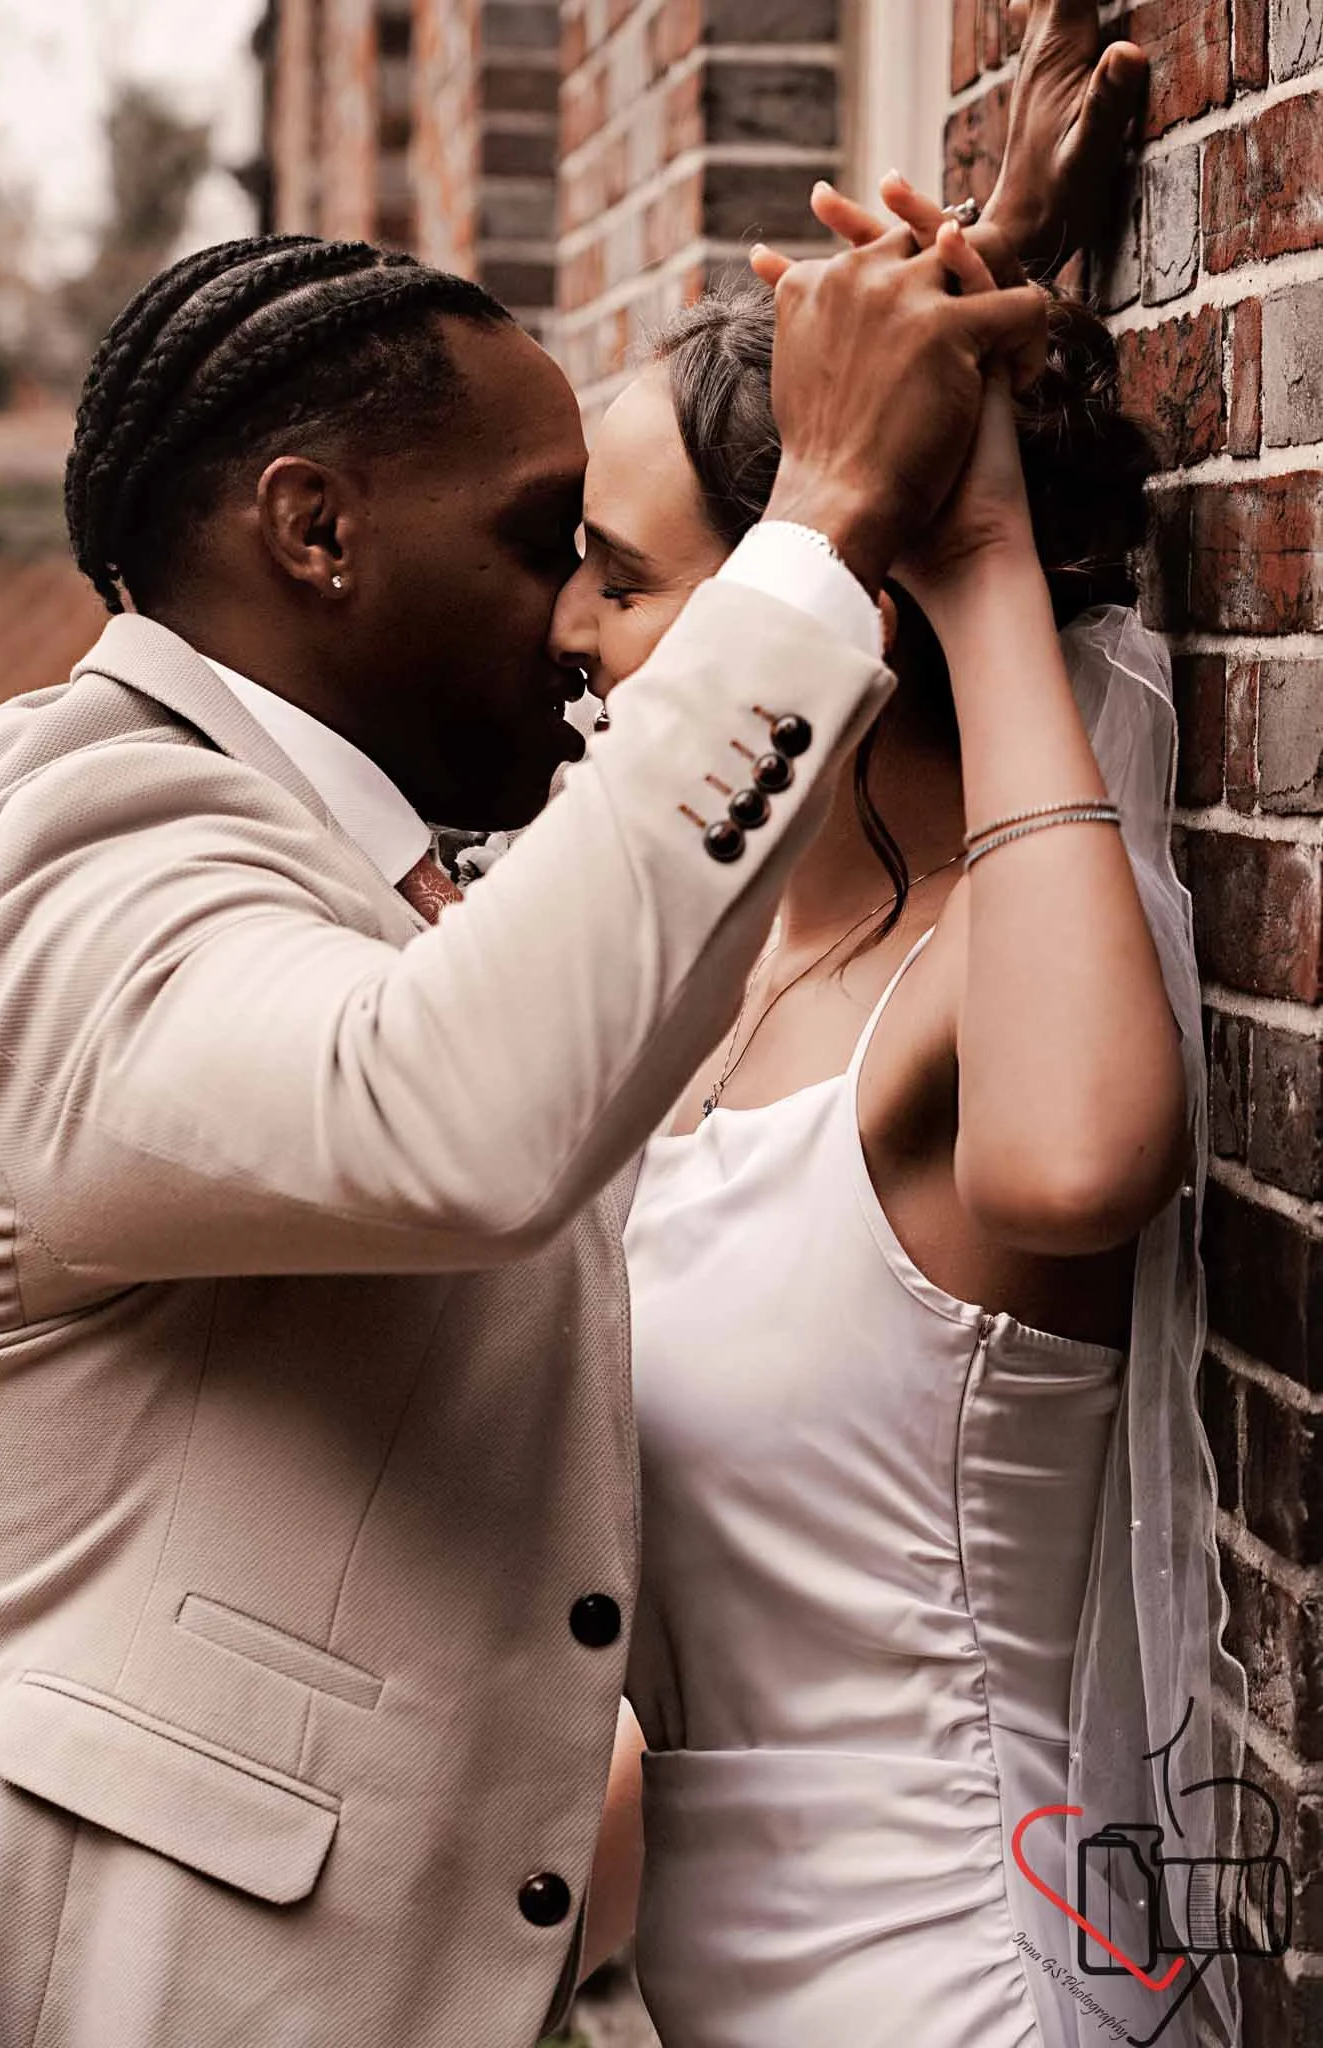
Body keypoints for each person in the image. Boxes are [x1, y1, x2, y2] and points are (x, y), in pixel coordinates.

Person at [0, 8, 1147, 2044]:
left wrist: (924, 351)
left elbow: (607, 935)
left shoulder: (362, 859)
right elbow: (464, 1097)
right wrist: (830, 499)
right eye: (538, 548)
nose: (572, 624)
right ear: (314, 532)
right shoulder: (80, 834)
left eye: (605, 564)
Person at [551, 195, 1242, 2048]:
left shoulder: (974, 984)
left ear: (845, 583)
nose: (566, 631)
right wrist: (985, 258)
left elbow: (1079, 1160)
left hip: (950, 1970)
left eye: (617, 578)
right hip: (701, 1980)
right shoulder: (721, 975)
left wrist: (988, 542)